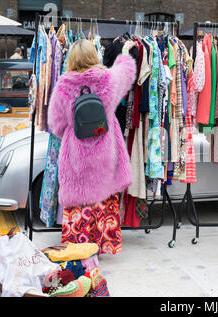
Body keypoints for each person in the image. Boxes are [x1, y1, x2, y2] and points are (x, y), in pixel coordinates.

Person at [47, 39, 137, 255]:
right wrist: (124, 51)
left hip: (76, 155)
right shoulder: (108, 79)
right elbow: (126, 72)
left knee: (79, 202)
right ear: (94, 56)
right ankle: (101, 245)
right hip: (107, 150)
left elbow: (56, 125)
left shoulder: (62, 86)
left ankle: (79, 248)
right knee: (103, 198)